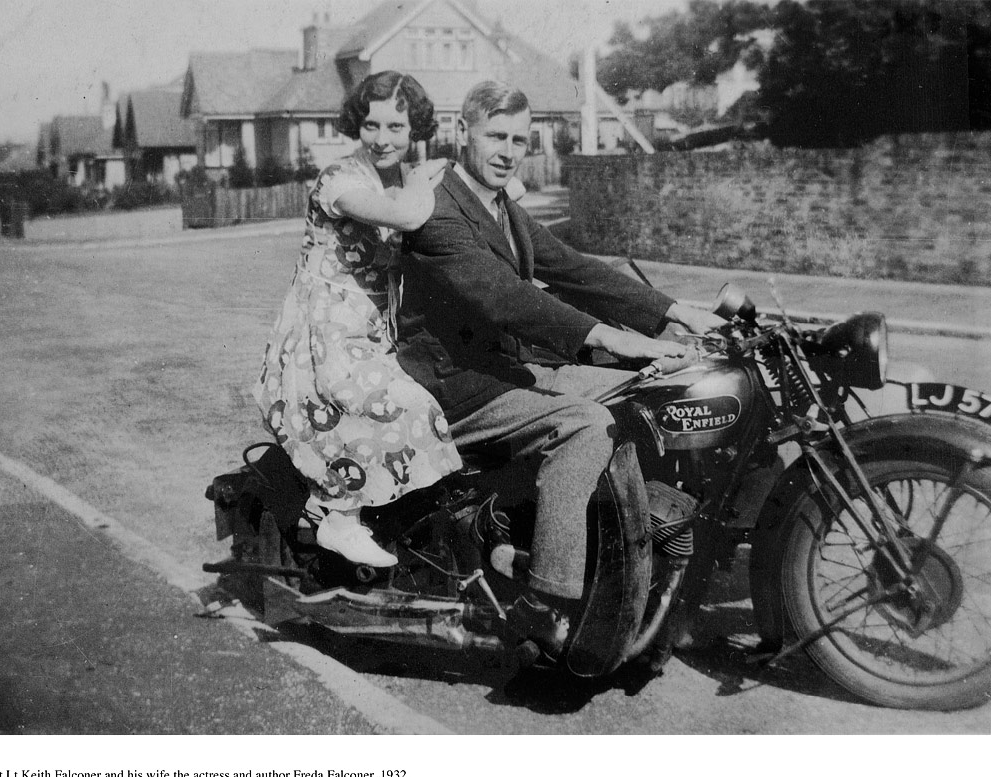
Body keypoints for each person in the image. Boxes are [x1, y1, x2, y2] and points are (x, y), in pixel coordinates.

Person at [395, 80, 718, 655]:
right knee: (586, 424)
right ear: (463, 132)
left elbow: (573, 269)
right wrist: (618, 339)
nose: (508, 151)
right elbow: (508, 300)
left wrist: (676, 311)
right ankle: (546, 599)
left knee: (651, 392)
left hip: (508, 372)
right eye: (496, 135)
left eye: (520, 139)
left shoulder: (504, 209)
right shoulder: (437, 210)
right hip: (455, 388)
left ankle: (631, 548)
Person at [253, 71, 462, 568]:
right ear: (357, 126)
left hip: (371, 327)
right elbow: (408, 217)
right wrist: (420, 176)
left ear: (414, 127)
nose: (382, 138)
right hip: (324, 334)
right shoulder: (341, 179)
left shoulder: (395, 176)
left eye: (395, 126)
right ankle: (337, 517)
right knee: (399, 405)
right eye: (372, 125)